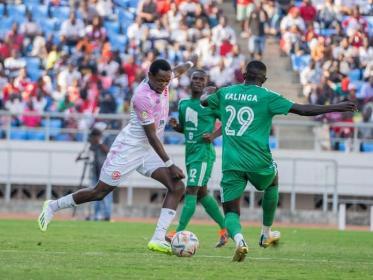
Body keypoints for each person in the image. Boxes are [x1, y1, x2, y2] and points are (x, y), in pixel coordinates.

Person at [200, 60, 357, 262]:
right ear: (264, 79)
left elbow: (204, 101)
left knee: (231, 210)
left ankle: (240, 241)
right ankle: (266, 232)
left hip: (231, 163)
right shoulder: (267, 96)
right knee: (273, 181)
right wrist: (336, 107)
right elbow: (303, 110)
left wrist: (208, 92)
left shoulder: (225, 93)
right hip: (259, 160)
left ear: (243, 74)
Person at [38, 58, 197, 255]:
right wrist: (170, 163)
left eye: (167, 81)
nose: (164, 85)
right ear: (150, 76)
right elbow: (151, 135)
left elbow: (178, 70)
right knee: (99, 192)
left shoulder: (164, 78)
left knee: (177, 186)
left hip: (148, 150)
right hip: (129, 148)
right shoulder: (142, 97)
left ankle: (157, 238)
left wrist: (190, 62)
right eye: (160, 81)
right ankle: (53, 206)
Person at [167, 70, 228, 247]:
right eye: (195, 78)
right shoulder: (183, 103)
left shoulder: (210, 103)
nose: (198, 82)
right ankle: (225, 230)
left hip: (203, 154)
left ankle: (177, 233)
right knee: (202, 193)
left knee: (191, 190)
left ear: (205, 83)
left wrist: (214, 135)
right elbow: (186, 129)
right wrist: (176, 126)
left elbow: (228, 121)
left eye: (202, 79)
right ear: (190, 80)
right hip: (190, 153)